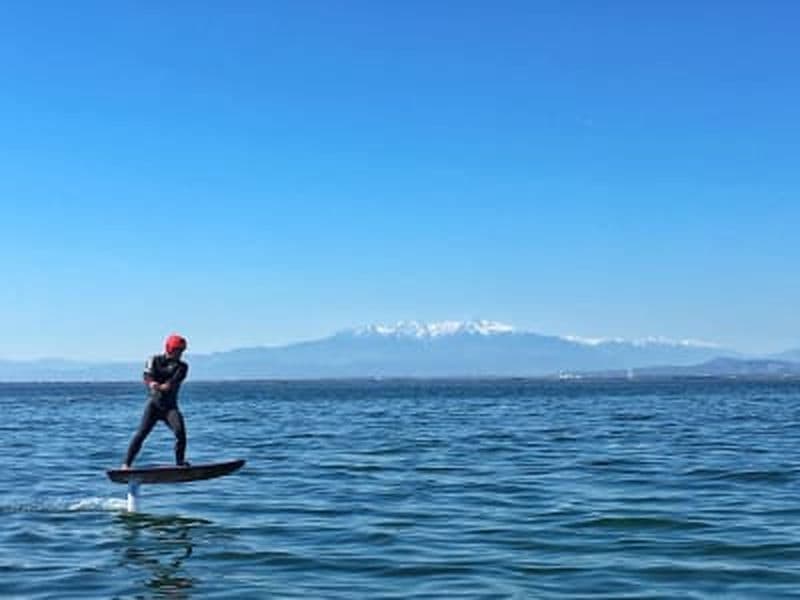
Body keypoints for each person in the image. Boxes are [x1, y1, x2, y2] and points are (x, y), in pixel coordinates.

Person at [122, 334, 190, 469]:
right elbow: (147, 375)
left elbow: (172, 383)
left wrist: (163, 386)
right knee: (141, 434)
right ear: (170, 349)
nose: (180, 354)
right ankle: (126, 464)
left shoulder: (182, 367)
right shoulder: (153, 360)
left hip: (170, 408)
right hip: (154, 406)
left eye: (182, 351)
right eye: (178, 351)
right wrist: (151, 383)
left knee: (180, 433)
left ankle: (180, 463)